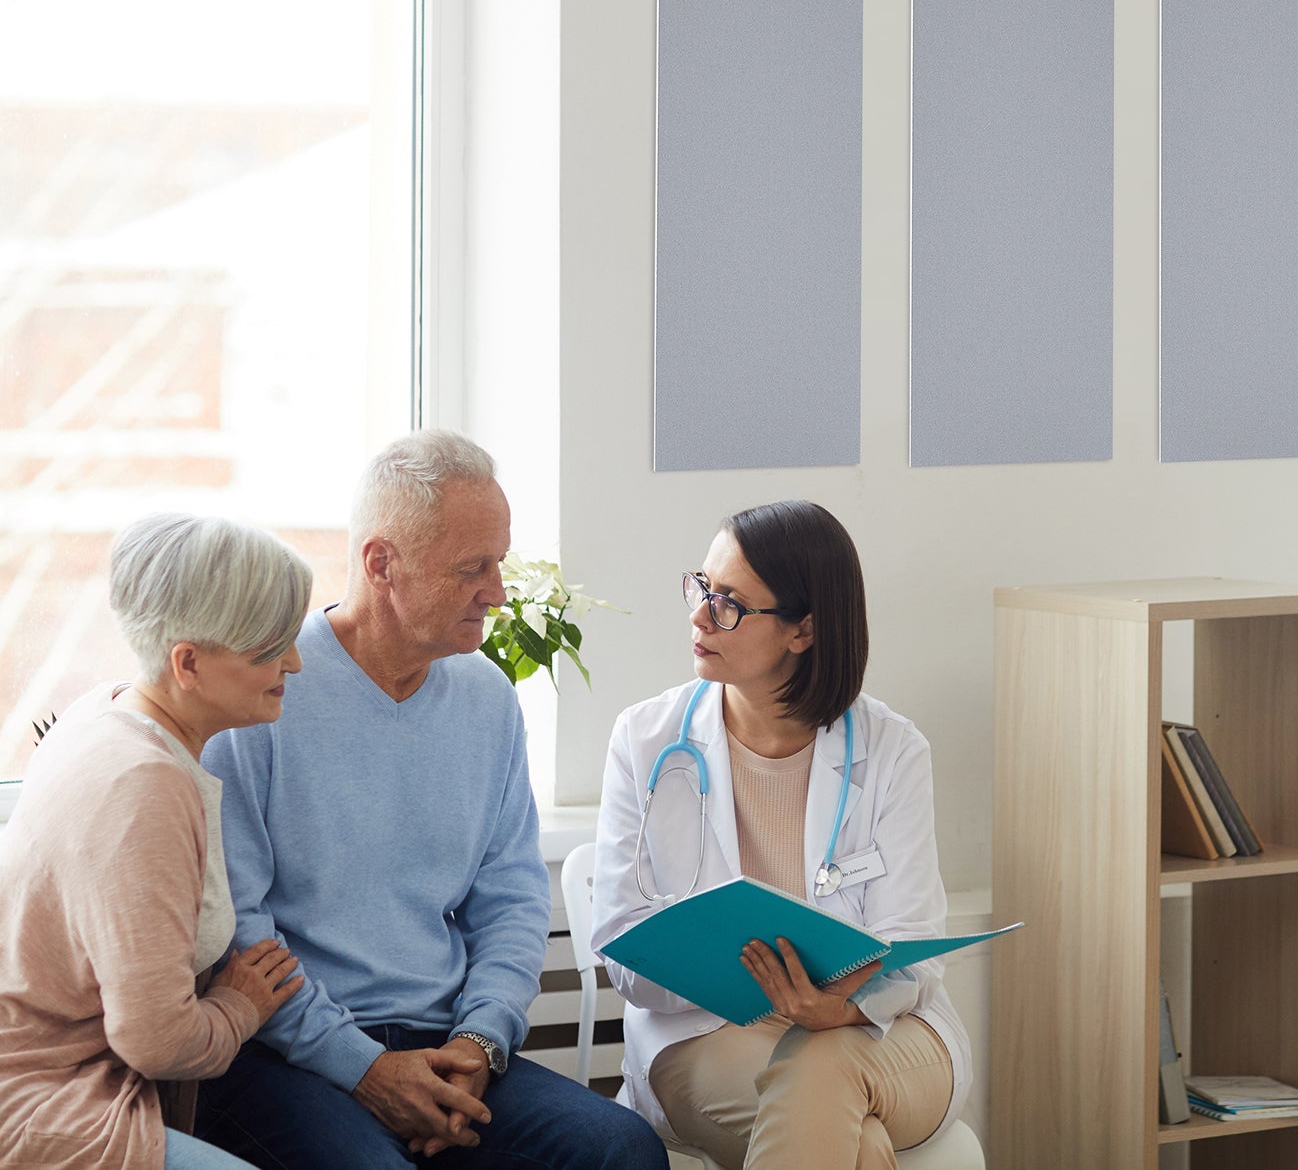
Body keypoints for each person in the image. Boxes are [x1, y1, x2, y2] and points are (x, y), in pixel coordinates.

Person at [196, 430, 667, 1170]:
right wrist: (363, 1068)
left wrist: (479, 1042)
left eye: (500, 563)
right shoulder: (264, 692)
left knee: (619, 1149)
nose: (499, 591)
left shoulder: (486, 699)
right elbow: (239, 930)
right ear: (381, 564)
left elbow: (510, 898)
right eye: (471, 568)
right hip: (286, 1053)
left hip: (447, 1040)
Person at [591, 500, 969, 1170]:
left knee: (824, 1071)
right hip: (707, 1036)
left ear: (803, 631)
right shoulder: (645, 741)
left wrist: (841, 1010)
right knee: (853, 1140)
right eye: (700, 588)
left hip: (882, 1035)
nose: (699, 616)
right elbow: (624, 948)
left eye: (729, 603)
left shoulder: (892, 750)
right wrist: (747, 981)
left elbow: (912, 947)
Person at [0, 513, 311, 1170]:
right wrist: (239, 1006)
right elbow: (156, 1041)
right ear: (188, 662)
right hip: (43, 1100)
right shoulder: (145, 784)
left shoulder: (103, 708)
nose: (295, 662)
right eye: (268, 648)